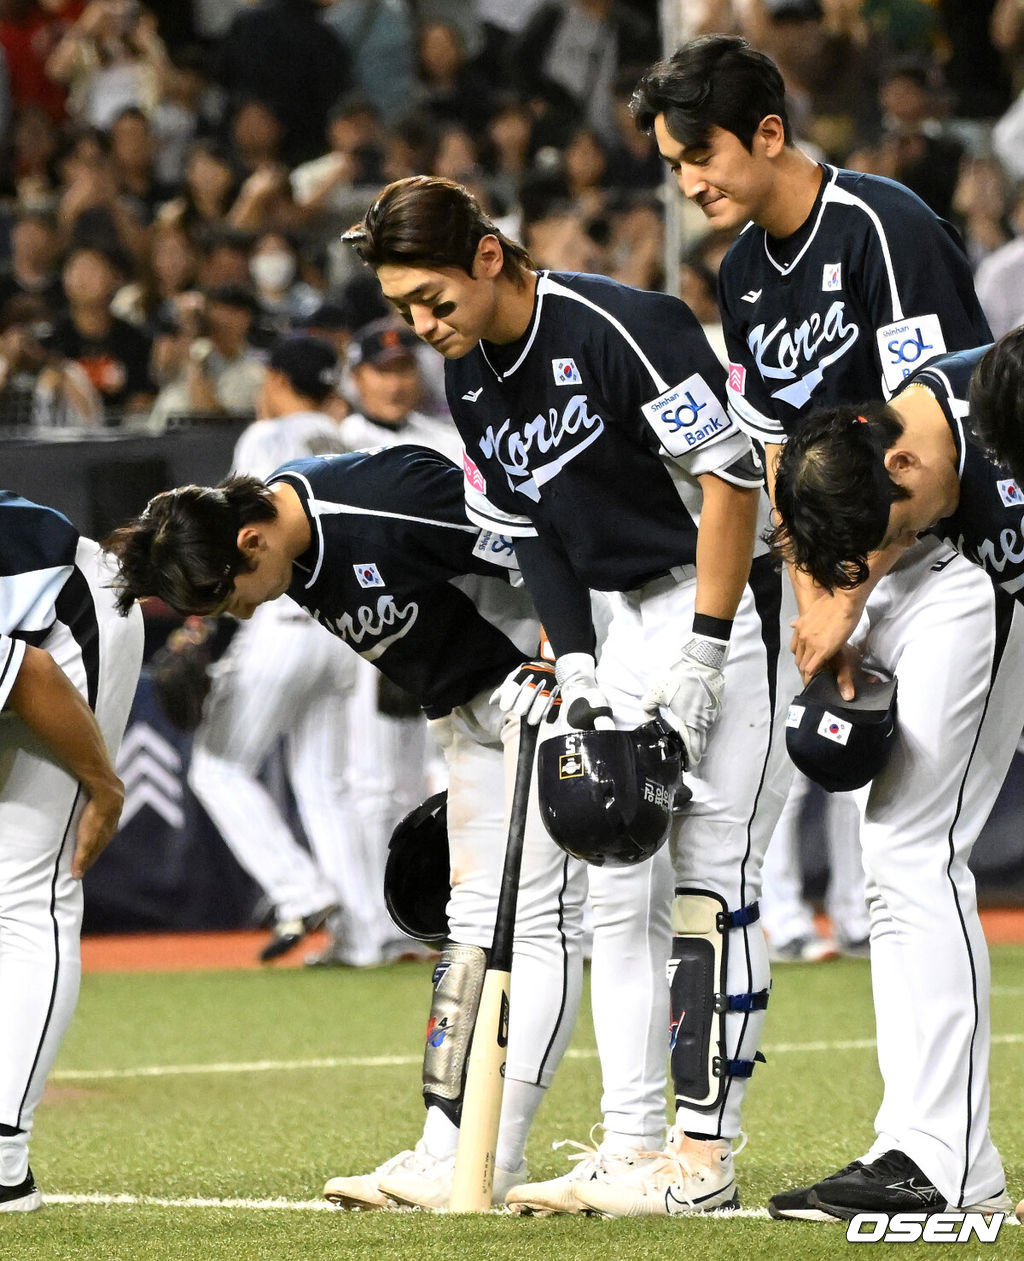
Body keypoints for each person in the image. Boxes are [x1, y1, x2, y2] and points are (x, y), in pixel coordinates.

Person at [344, 173, 796, 1216]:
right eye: (404, 307)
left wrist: (702, 652)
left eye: (433, 299)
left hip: (719, 598)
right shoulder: (468, 376)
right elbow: (532, 532)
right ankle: (634, 1143)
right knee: (612, 890)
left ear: (488, 257)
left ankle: (704, 1156)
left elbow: (732, 486)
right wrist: (581, 662)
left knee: (709, 889)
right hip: (619, 618)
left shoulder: (618, 323)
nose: (422, 324)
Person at [631, 34, 1023, 1220]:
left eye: (698, 152)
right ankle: (923, 1145)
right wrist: (815, 592)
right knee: (891, 859)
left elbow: (939, 437)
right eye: (669, 159)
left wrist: (848, 583)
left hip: (959, 554)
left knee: (913, 856)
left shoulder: (881, 225)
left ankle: (943, 1162)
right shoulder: (746, 271)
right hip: (867, 569)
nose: (687, 179)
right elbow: (777, 458)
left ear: (765, 132)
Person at [104, 445, 588, 1211]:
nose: (236, 609)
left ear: (249, 541)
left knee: (539, 922)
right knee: (469, 932)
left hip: (544, 700)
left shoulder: (379, 497)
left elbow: (548, 538)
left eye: (226, 592)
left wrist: (568, 659)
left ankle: (496, 1154)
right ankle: (445, 1149)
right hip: (472, 717)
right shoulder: (286, 544)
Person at [186, 335, 373, 965]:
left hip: (282, 624)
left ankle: (300, 891)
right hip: (345, 629)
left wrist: (200, 622)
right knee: (327, 786)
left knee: (216, 767)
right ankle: (365, 936)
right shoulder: (345, 439)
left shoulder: (266, 439)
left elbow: (232, 539)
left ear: (275, 380)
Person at [0, 490, 143, 1212]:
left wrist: (103, 782)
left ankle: (1, 1162)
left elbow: (26, 674)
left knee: (26, 885)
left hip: (66, 610)